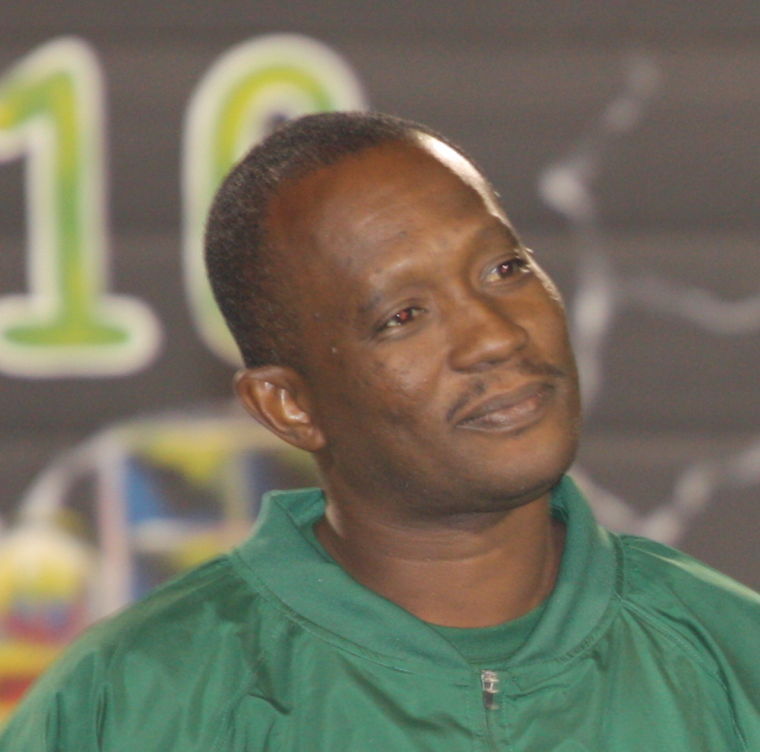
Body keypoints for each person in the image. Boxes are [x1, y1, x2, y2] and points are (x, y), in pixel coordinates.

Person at [1, 111, 758, 751]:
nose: (495, 336)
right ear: (289, 406)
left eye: (504, 269)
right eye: (403, 316)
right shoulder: (130, 705)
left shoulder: (732, 655)